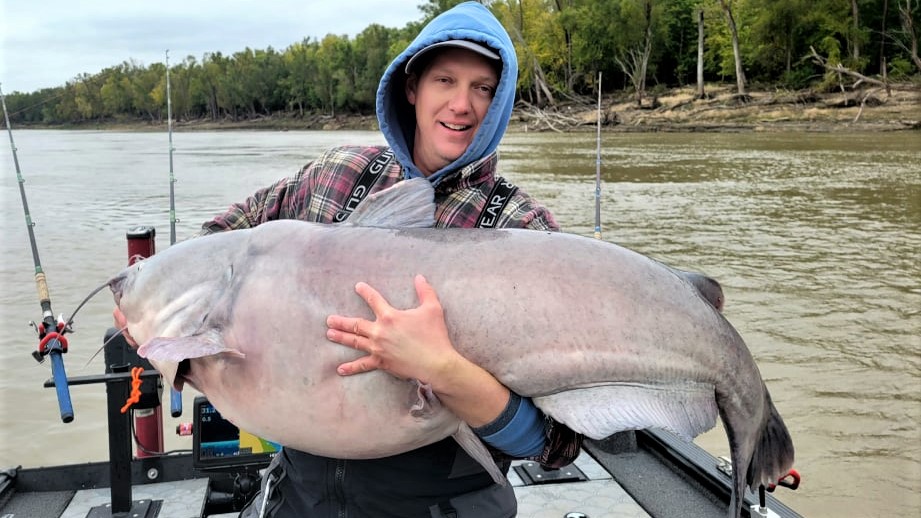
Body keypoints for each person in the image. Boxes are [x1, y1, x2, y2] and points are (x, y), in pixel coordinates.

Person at [117, 2, 582, 517]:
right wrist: (164, 315)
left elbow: (553, 446)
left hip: (447, 503)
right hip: (299, 493)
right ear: (412, 89)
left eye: (483, 88)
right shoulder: (338, 173)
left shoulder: (521, 228)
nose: (461, 104)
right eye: (445, 80)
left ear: (501, 102)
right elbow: (221, 240)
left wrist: (447, 371)